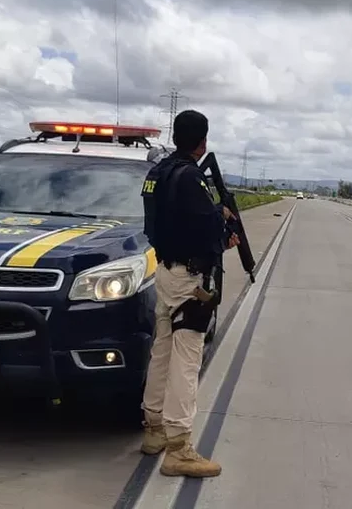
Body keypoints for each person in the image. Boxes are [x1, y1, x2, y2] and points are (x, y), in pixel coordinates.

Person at [139, 109, 239, 477]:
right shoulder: (191, 178)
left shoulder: (159, 173)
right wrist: (223, 230)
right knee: (187, 357)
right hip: (188, 277)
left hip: (165, 270)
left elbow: (161, 222)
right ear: (203, 141)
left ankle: (154, 431)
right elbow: (206, 225)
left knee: (162, 350)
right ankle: (179, 446)